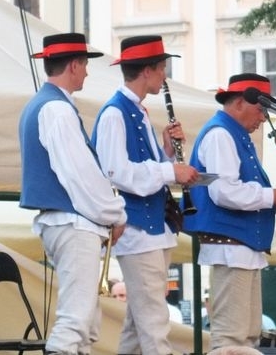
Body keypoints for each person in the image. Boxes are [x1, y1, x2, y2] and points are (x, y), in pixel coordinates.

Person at [18, 33, 127, 355]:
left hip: (65, 222)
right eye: (85, 65)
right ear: (74, 66)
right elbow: (80, 175)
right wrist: (115, 213)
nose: (87, 73)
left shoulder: (45, 105)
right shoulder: (57, 109)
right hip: (73, 224)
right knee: (76, 320)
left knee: (85, 321)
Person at [92, 34, 199, 354]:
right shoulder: (115, 113)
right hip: (138, 230)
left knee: (137, 327)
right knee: (154, 322)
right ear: (147, 70)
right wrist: (171, 171)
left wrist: (166, 151)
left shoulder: (136, 111)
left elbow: (142, 170)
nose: (165, 76)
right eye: (162, 68)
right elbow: (116, 172)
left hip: (151, 228)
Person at [183, 73, 276, 349]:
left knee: (247, 336)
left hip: (241, 246)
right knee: (231, 337)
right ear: (239, 103)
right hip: (231, 247)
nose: (263, 119)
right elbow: (224, 192)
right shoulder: (221, 134)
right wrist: (273, 196)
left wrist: (274, 201)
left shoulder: (233, 134)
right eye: (260, 110)